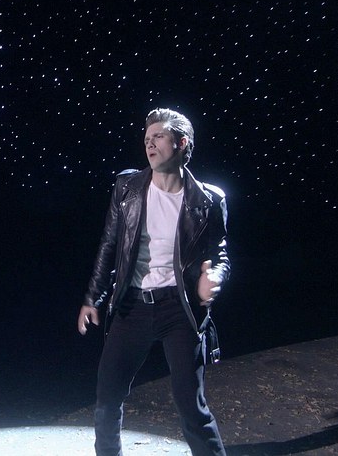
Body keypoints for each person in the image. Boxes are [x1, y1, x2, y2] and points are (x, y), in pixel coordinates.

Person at [78, 108, 230, 456]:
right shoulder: (127, 188)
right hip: (132, 306)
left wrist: (214, 278)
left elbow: (220, 254)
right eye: (147, 138)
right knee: (107, 398)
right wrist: (92, 297)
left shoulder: (209, 199)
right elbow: (109, 244)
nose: (149, 144)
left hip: (180, 309)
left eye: (158, 137)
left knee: (191, 407)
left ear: (182, 143)